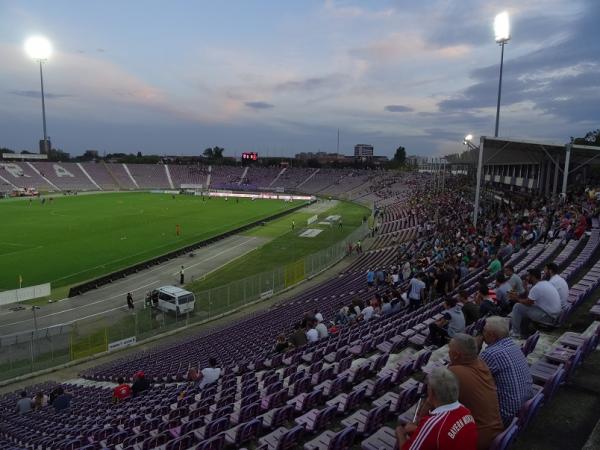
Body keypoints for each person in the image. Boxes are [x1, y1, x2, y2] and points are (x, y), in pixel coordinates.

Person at [395, 367, 478, 450]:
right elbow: (443, 435)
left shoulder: (433, 424)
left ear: (432, 392)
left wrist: (400, 434)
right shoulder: (466, 412)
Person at [447, 334, 504, 450]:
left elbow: (435, 404)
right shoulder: (481, 364)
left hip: (477, 439)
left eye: (449, 350)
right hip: (496, 431)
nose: (448, 353)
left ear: (456, 355)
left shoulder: (454, 372)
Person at [479, 317, 533, 427]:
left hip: (506, 414)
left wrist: (475, 348)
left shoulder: (490, 354)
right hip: (524, 405)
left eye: (484, 331)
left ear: (492, 335)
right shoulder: (513, 345)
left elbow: (474, 378)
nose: (482, 333)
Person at [509, 268, 562, 338]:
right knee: (523, 308)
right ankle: (524, 333)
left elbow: (528, 302)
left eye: (528, 276)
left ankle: (515, 334)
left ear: (533, 277)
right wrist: (526, 288)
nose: (527, 278)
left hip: (549, 317)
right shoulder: (545, 283)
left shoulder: (537, 288)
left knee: (517, 307)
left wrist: (516, 298)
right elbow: (530, 299)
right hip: (553, 315)